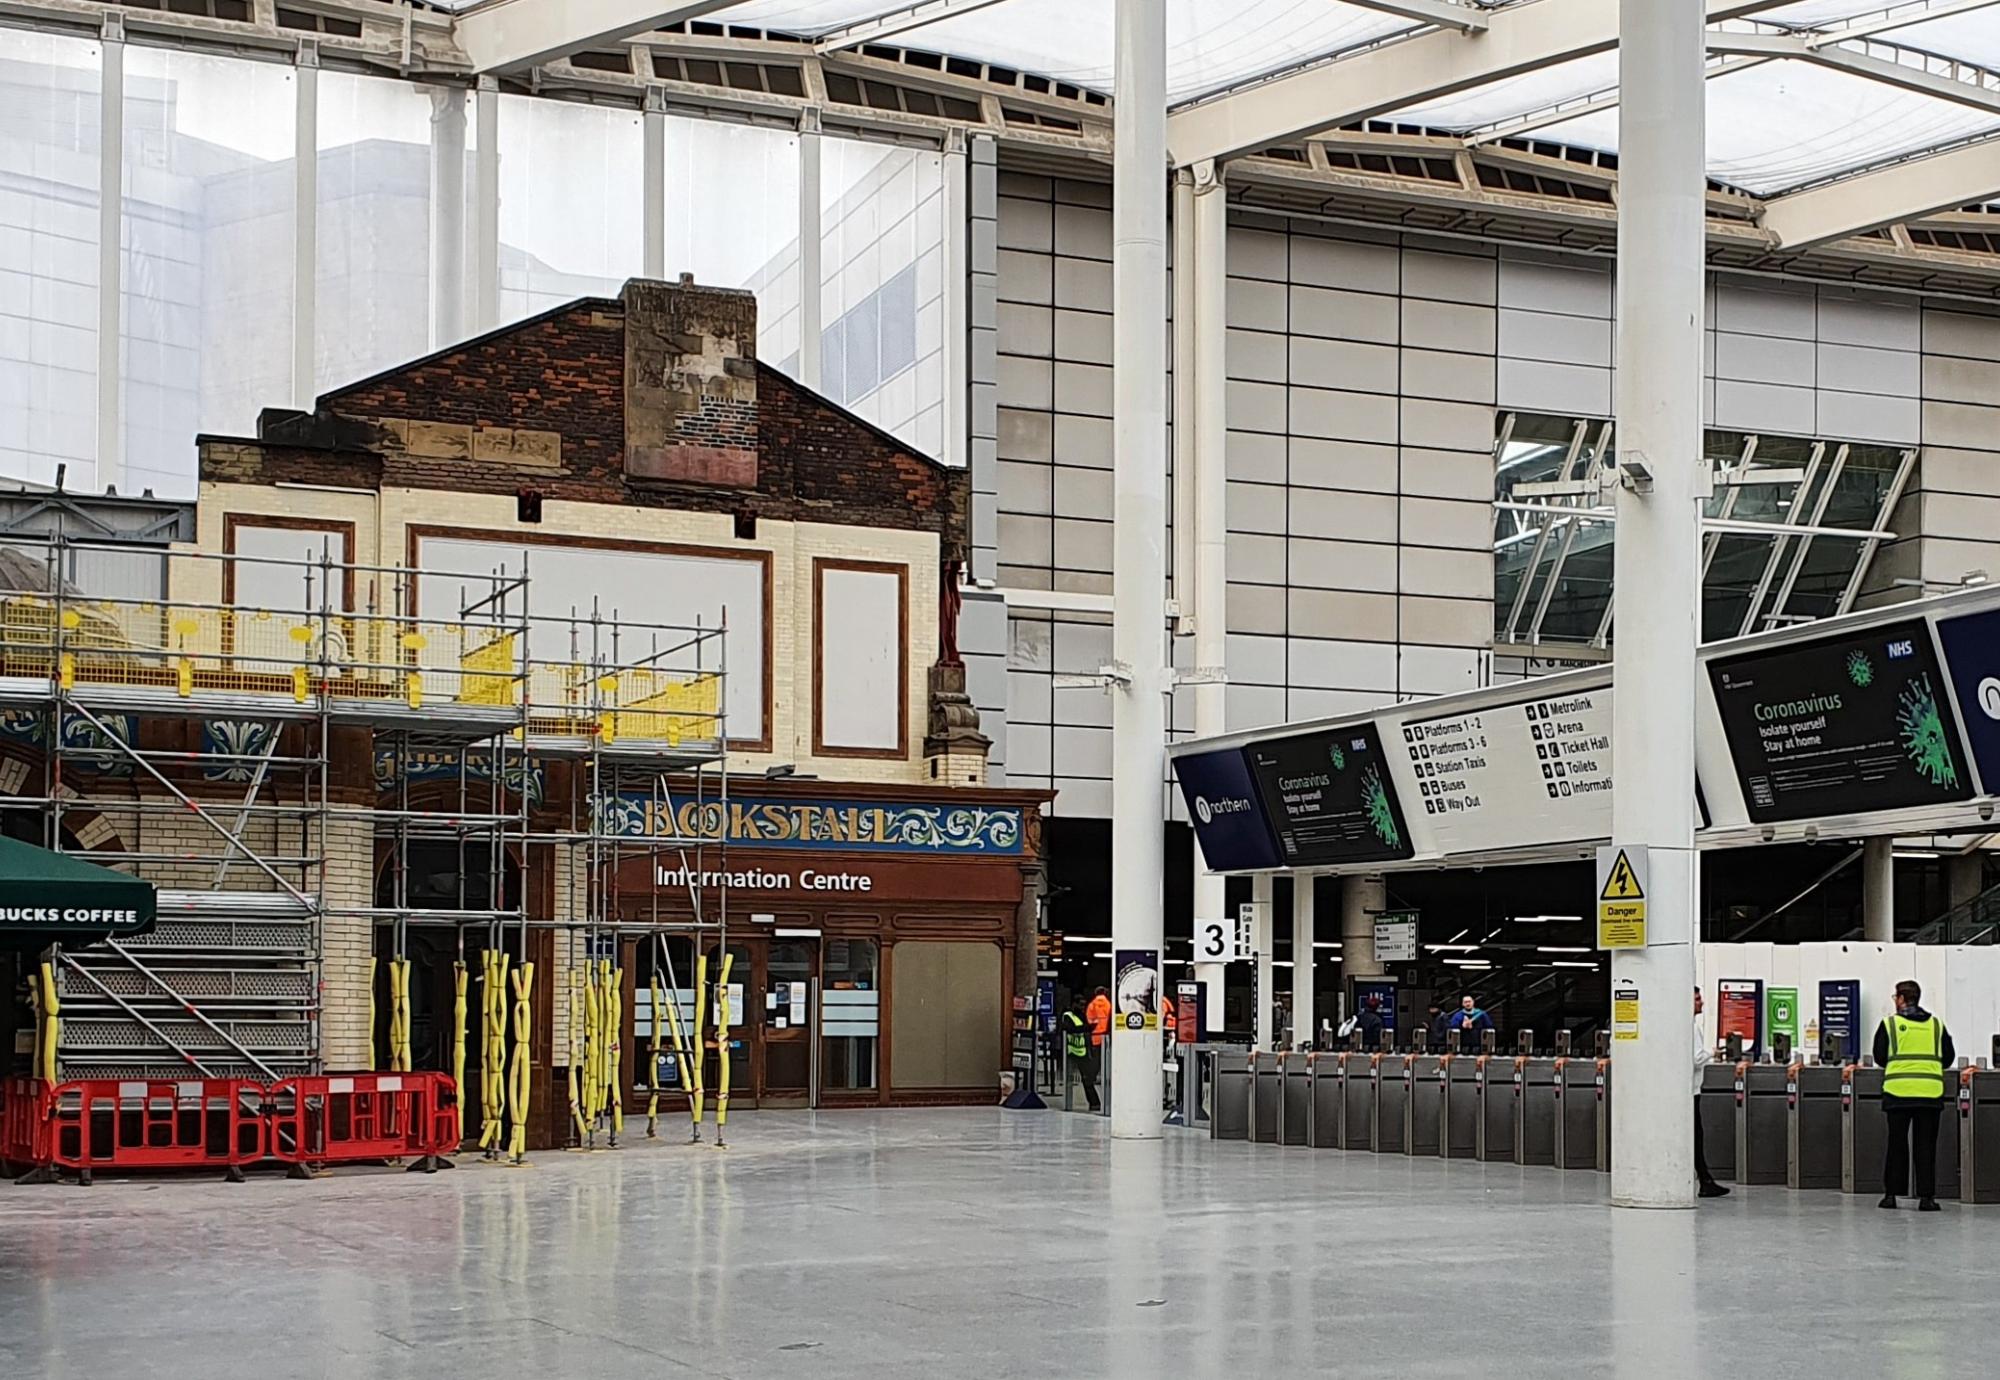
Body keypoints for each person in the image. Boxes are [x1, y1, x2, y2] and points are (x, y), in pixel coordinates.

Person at [1876, 979, 1955, 1211]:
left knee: (1897, 1145)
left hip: (1898, 1094)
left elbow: (1880, 1056)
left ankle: (1891, 1195)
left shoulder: (1889, 1025)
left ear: (1901, 999)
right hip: (1930, 1095)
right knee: (1926, 1147)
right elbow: (1948, 1057)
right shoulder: (1936, 1026)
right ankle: (1926, 1198)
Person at [1693, 986, 1729, 1198]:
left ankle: (1705, 1179)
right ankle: (1705, 1180)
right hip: (1691, 1091)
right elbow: (1696, 1058)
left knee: (1696, 1135)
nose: (1702, 1002)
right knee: (1696, 1136)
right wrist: (1712, 1053)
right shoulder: (1691, 1027)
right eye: (1697, 999)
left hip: (1688, 1090)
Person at [1059, 994, 1098, 1112]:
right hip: (1071, 1051)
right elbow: (1068, 1029)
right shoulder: (1067, 1015)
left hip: (1082, 1050)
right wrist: (1087, 1028)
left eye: (1084, 1005)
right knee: (1073, 1078)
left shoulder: (1082, 1015)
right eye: (1080, 1004)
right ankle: (1072, 1103)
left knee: (1087, 1078)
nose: (1083, 1007)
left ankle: (1094, 1103)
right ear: (1074, 1004)